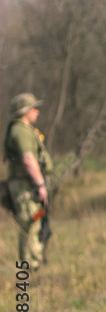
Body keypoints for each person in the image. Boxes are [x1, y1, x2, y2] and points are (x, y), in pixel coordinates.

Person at [3, 93, 53, 268]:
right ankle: (28, 266)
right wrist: (40, 184)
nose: (37, 112)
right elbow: (27, 160)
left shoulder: (24, 130)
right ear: (25, 111)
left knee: (35, 220)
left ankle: (34, 261)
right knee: (28, 222)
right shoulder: (21, 131)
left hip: (29, 185)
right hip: (26, 186)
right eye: (34, 108)